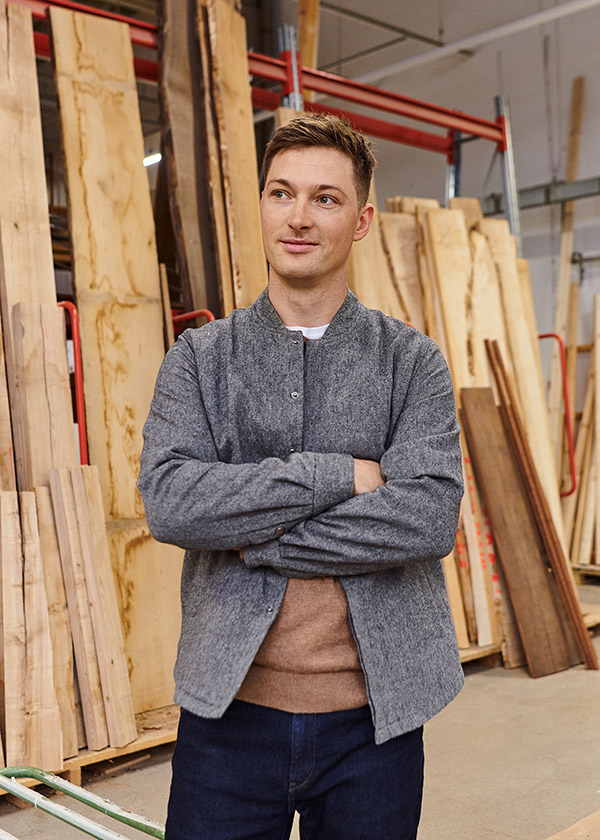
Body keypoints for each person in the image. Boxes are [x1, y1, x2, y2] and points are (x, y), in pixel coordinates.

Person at [138, 113, 464, 840]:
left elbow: (427, 518)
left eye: (325, 198)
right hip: (227, 719)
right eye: (282, 193)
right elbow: (172, 504)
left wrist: (251, 534)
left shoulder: (411, 364)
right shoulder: (200, 359)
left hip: (374, 724)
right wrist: (338, 476)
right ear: (261, 205)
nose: (299, 216)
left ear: (361, 220)